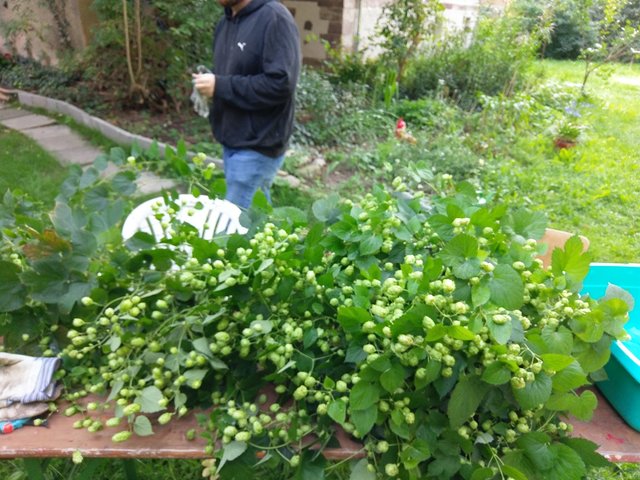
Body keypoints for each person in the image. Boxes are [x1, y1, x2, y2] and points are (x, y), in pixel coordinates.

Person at [193, 0, 301, 209]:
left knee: (236, 226)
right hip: (232, 139)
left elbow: (280, 84)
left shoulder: (274, 19)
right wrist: (211, 87)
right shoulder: (225, 23)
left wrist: (221, 86)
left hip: (259, 142)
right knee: (254, 218)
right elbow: (235, 76)